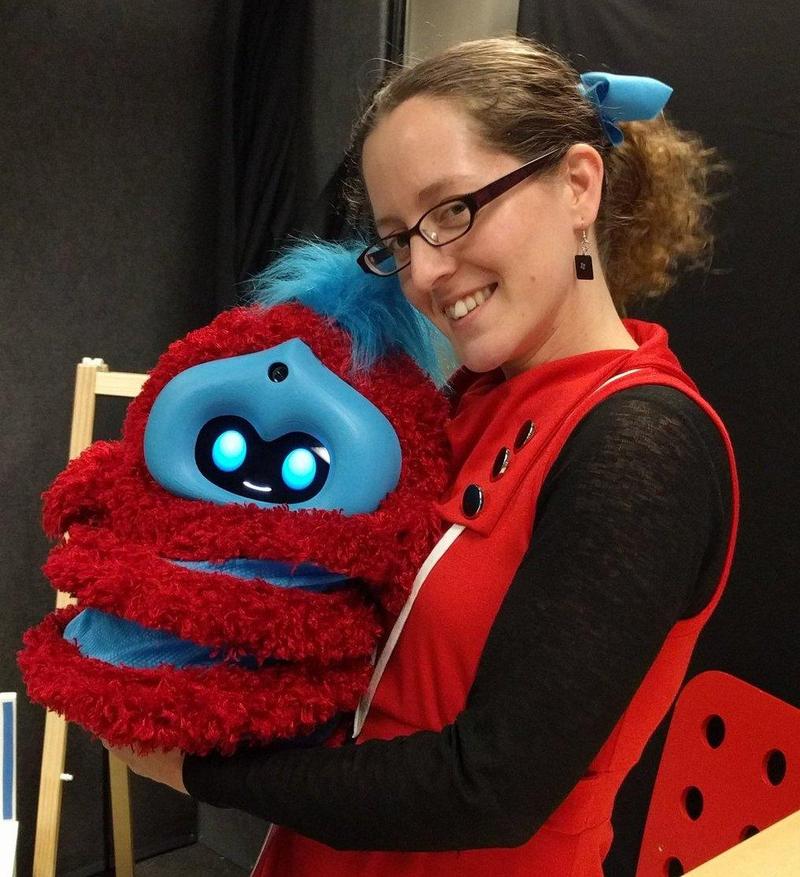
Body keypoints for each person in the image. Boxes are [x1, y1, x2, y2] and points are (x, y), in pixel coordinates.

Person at [109, 36, 738, 876]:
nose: (430, 270)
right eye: (400, 236)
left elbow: (491, 786)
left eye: (453, 210)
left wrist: (200, 768)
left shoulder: (642, 444)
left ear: (578, 186)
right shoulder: (466, 402)